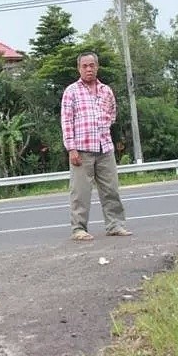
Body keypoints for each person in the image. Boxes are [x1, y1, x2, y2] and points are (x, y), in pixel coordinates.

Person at [60, 51, 132, 241]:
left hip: (104, 147)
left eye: (92, 65)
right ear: (79, 68)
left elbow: (112, 116)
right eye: (85, 66)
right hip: (82, 149)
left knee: (111, 189)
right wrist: (71, 148)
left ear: (97, 67)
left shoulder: (106, 91)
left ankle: (115, 225)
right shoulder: (71, 91)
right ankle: (78, 229)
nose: (89, 69)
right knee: (80, 192)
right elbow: (66, 121)